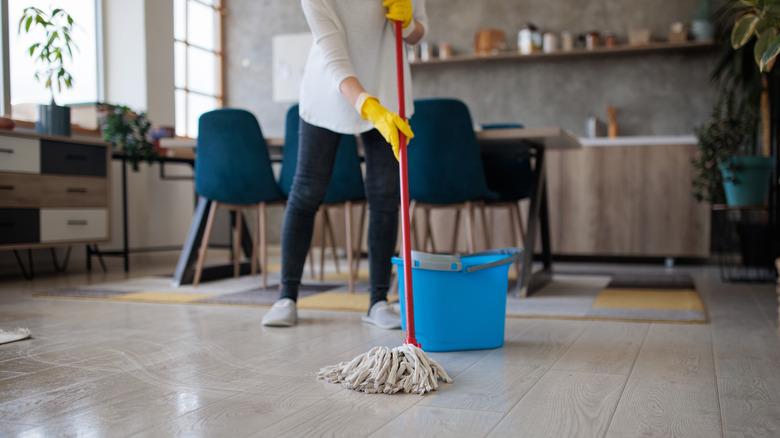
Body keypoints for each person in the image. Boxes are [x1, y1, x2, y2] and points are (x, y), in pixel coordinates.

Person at [262, 0, 428, 328]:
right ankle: (286, 296)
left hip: (388, 83)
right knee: (308, 188)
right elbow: (334, 58)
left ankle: (379, 301)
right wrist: (367, 105)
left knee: (384, 194)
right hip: (329, 88)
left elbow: (418, 32)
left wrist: (408, 24)